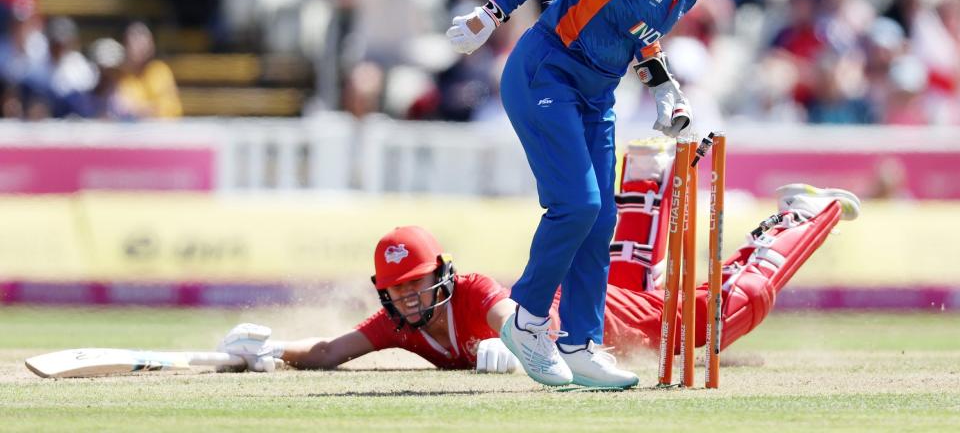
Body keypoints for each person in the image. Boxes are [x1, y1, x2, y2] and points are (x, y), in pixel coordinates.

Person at [443, 0, 761, 387]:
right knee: (578, 204)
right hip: (545, 71)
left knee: (602, 217)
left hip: (596, 93)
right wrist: (491, 14)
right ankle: (525, 319)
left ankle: (579, 343)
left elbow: (637, 31)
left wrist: (664, 89)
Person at [216, 182, 861, 387]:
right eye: (399, 290)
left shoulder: (469, 289)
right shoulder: (401, 326)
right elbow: (331, 351)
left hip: (606, 321)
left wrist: (521, 346)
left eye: (418, 284)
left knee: (730, 310)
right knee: (641, 274)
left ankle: (801, 213)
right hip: (587, 315)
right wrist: (271, 355)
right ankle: (646, 180)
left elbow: (516, 319)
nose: (410, 299)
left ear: (441, 274)